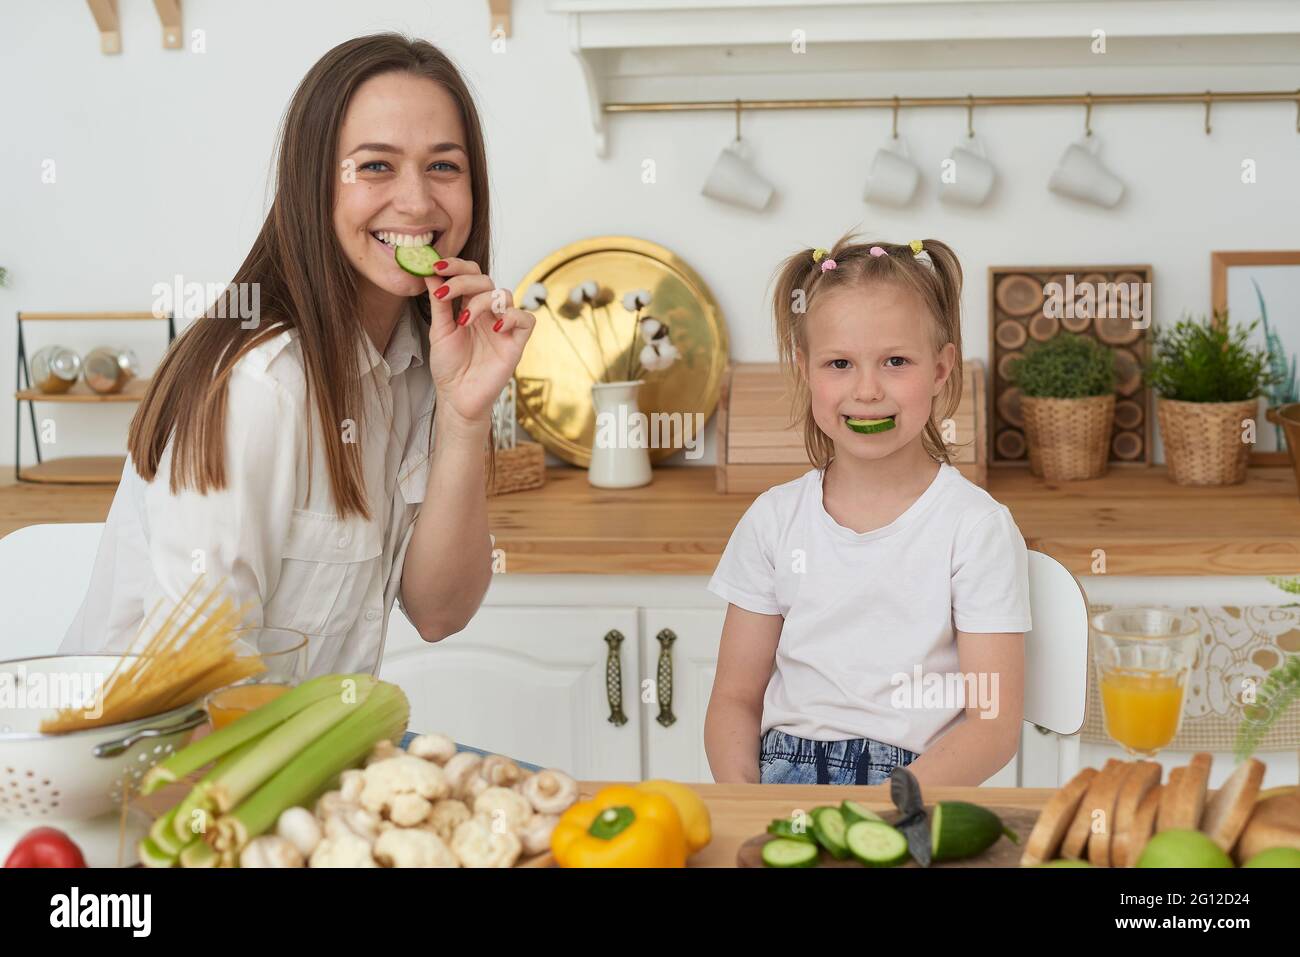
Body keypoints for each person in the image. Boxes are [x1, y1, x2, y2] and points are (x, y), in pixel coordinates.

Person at [61, 34, 535, 676]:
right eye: (375, 166)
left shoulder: (423, 363)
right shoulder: (260, 381)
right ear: (314, 184)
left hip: (299, 749)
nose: (418, 203)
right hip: (166, 761)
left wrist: (463, 415)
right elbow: (198, 680)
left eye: (443, 166)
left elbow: (439, 614)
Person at [704, 234, 1029, 787]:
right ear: (806, 370)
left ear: (941, 369)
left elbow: (992, 729)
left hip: (912, 786)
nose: (868, 390)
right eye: (840, 363)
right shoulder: (773, 520)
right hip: (780, 776)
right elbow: (733, 701)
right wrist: (745, 806)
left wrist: (880, 815)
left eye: (896, 361)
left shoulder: (975, 529)